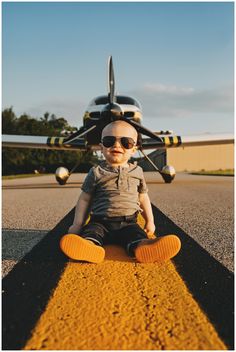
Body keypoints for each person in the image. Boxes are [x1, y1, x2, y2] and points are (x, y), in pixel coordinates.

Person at [60, 120, 181, 263]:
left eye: (126, 142)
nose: (116, 145)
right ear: (101, 147)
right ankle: (90, 248)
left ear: (134, 149)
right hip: (100, 221)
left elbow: (143, 198)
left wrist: (150, 221)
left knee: (136, 236)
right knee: (91, 233)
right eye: (109, 140)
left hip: (128, 223)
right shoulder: (96, 172)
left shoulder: (138, 171)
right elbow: (85, 199)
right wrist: (78, 224)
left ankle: (143, 248)